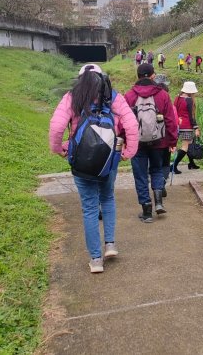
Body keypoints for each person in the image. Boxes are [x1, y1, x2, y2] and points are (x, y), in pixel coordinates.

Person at [49, 64, 139, 273]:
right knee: (107, 198)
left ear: (80, 79)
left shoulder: (72, 97)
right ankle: (110, 245)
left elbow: (56, 126)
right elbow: (132, 125)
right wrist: (128, 152)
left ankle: (96, 260)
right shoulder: (113, 97)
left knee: (89, 207)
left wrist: (59, 149)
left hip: (81, 161)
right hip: (108, 160)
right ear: (102, 78)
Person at [124, 63, 178, 223]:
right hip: (159, 142)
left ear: (138, 76)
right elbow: (171, 120)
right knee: (156, 170)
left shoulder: (130, 95)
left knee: (140, 176)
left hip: (137, 143)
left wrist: (126, 141)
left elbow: (123, 121)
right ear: (152, 75)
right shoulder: (162, 95)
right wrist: (172, 140)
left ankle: (147, 211)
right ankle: (159, 202)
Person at [153, 74, 177, 197]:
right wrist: (173, 141)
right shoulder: (170, 104)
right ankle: (161, 183)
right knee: (165, 164)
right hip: (166, 139)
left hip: (152, 139)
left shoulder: (150, 100)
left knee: (155, 165)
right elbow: (173, 123)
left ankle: (157, 185)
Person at [172, 81, 201, 173]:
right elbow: (191, 115)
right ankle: (173, 166)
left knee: (189, 144)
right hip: (187, 125)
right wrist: (196, 127)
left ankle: (191, 163)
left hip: (178, 123)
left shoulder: (177, 97)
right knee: (185, 147)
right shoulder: (189, 100)